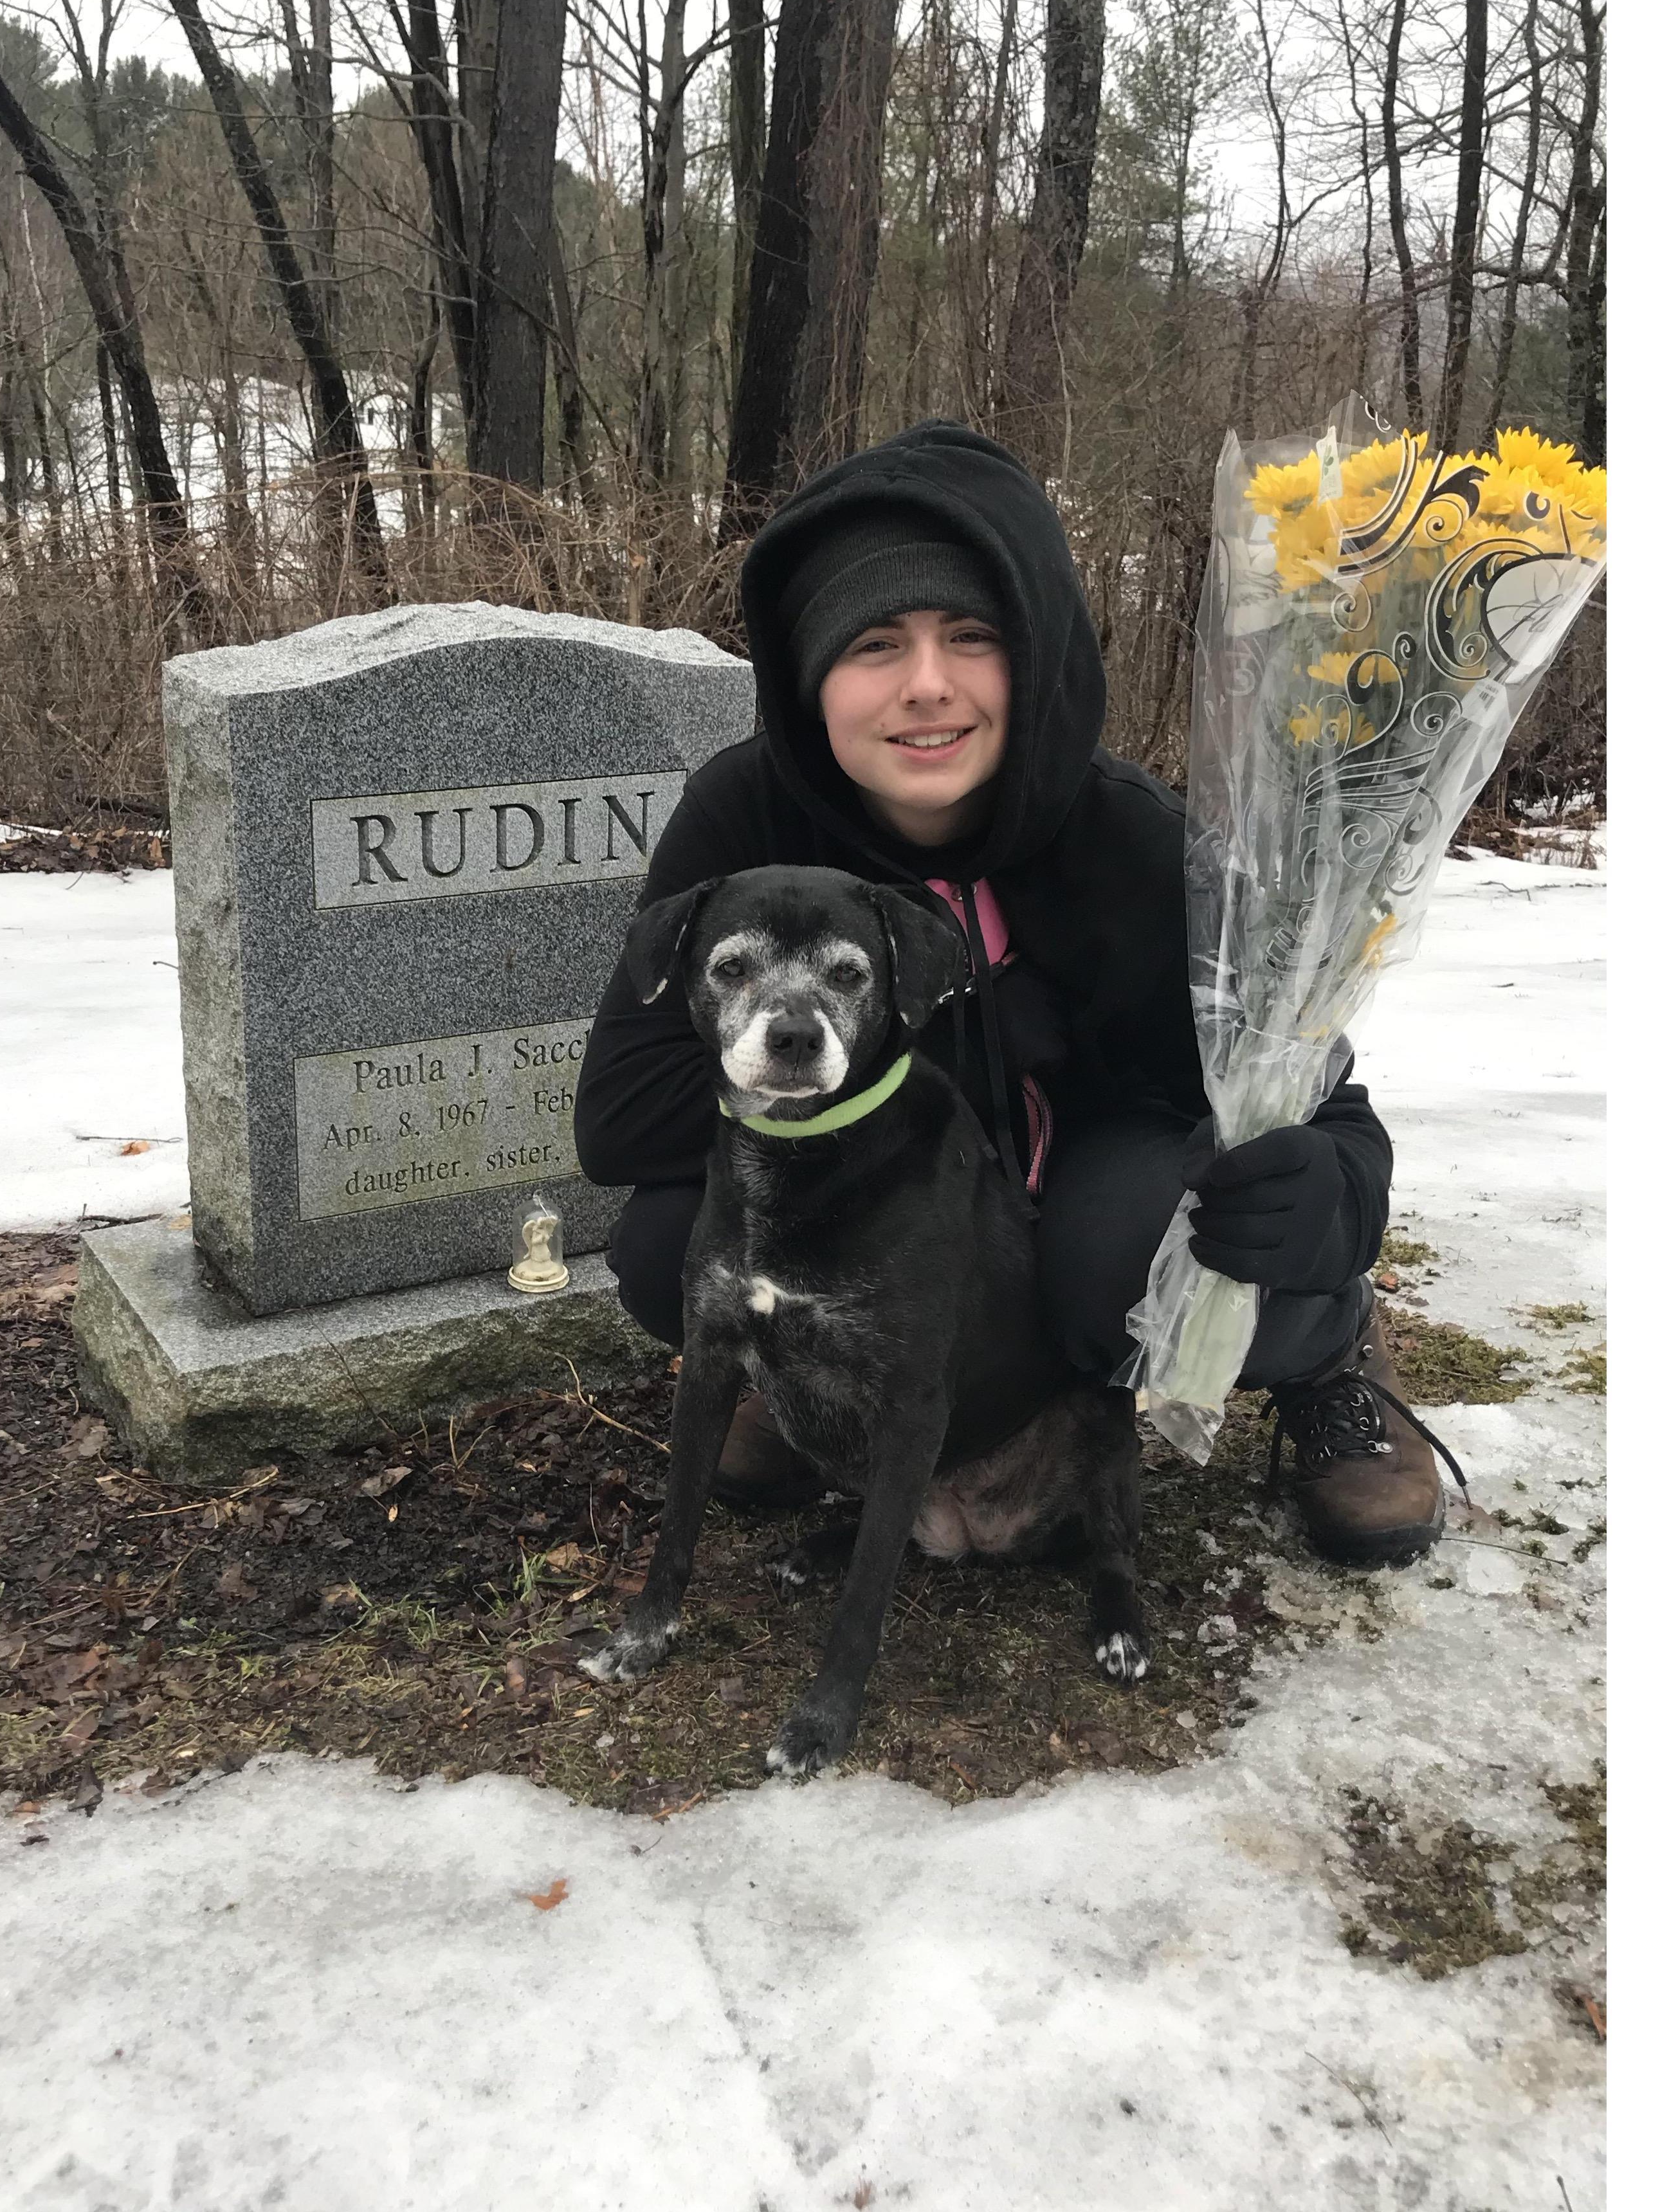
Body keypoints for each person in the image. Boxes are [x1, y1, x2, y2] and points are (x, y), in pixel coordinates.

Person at [572, 419, 1450, 1568]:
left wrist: (1330, 1200)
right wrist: (931, 1061)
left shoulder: (1136, 844)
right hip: (908, 1212)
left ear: (1033, 655)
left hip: (1084, 1209)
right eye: (875, 643)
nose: (927, 687)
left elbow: (1322, 1098)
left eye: (971, 636)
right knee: (664, 1245)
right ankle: (812, 1395)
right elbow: (625, 1115)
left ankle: (1331, 1356)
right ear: (809, 674)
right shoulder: (748, 825)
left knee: (1136, 1249)